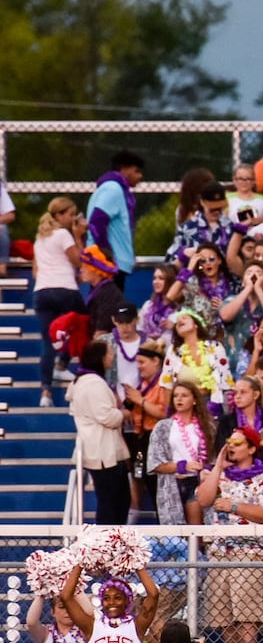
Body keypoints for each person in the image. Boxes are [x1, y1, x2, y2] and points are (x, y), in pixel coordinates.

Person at [193, 426, 263, 643]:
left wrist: (234, 507)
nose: (231, 446)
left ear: (252, 448)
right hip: (219, 550)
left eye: (238, 443)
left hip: (252, 551)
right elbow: (203, 500)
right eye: (229, 441)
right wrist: (218, 466)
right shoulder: (220, 474)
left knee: (247, 612)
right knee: (223, 613)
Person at [68, 341, 131, 524]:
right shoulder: (93, 383)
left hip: (103, 451)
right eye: (110, 354)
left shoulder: (85, 380)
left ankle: (113, 544)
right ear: (101, 358)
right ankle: (106, 545)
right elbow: (107, 417)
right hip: (104, 454)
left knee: (117, 501)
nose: (112, 358)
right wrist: (124, 414)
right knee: (111, 504)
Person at [32, 196, 86, 406]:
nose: (73, 219)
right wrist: (78, 236)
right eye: (70, 215)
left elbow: (36, 272)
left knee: (48, 341)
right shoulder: (64, 234)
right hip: (64, 289)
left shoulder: (40, 238)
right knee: (84, 322)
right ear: (59, 215)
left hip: (42, 292)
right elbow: (78, 261)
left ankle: (45, 392)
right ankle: (62, 365)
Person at [88, 150, 144, 286]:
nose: (140, 176)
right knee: (110, 305)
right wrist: (106, 255)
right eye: (136, 171)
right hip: (110, 266)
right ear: (124, 169)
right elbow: (97, 221)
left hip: (113, 264)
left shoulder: (111, 188)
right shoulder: (114, 189)